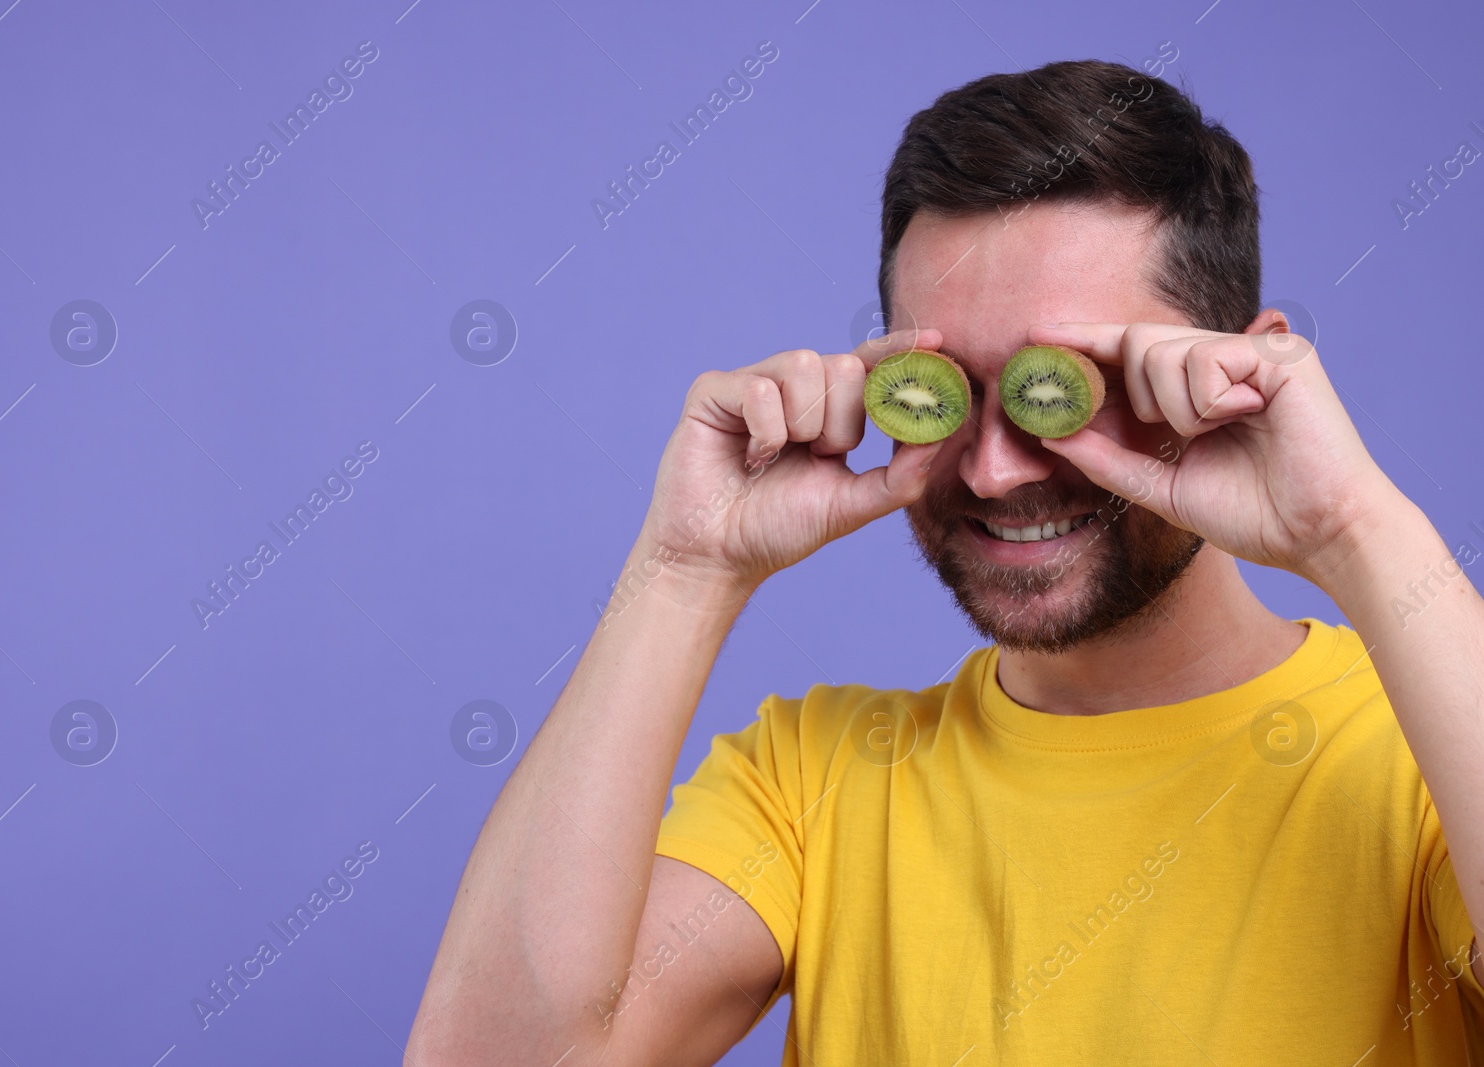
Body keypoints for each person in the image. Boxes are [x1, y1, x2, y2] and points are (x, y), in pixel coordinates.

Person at [406, 58, 1484, 1063]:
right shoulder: (816, 778)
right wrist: (685, 567)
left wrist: (1353, 524)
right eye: (949, 387)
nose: (998, 468)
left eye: (1066, 380)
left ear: (1246, 373)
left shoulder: (1421, 757)